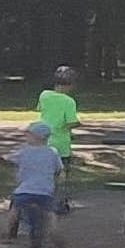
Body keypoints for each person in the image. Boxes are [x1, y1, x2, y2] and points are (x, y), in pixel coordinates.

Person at [2, 121, 61, 248]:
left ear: (36, 137)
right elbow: (58, 169)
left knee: (15, 208)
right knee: (50, 212)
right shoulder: (52, 152)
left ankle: (8, 234)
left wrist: (4, 159)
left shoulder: (24, 152)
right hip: (45, 190)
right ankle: (51, 236)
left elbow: (8, 158)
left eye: (28, 134)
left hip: (24, 189)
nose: (26, 136)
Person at [36, 65, 81, 213]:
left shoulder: (44, 95)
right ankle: (58, 204)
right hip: (61, 144)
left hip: (43, 141)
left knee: (44, 173)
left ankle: (41, 200)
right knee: (61, 176)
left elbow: (41, 110)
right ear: (71, 85)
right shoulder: (69, 101)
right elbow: (70, 122)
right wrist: (78, 123)